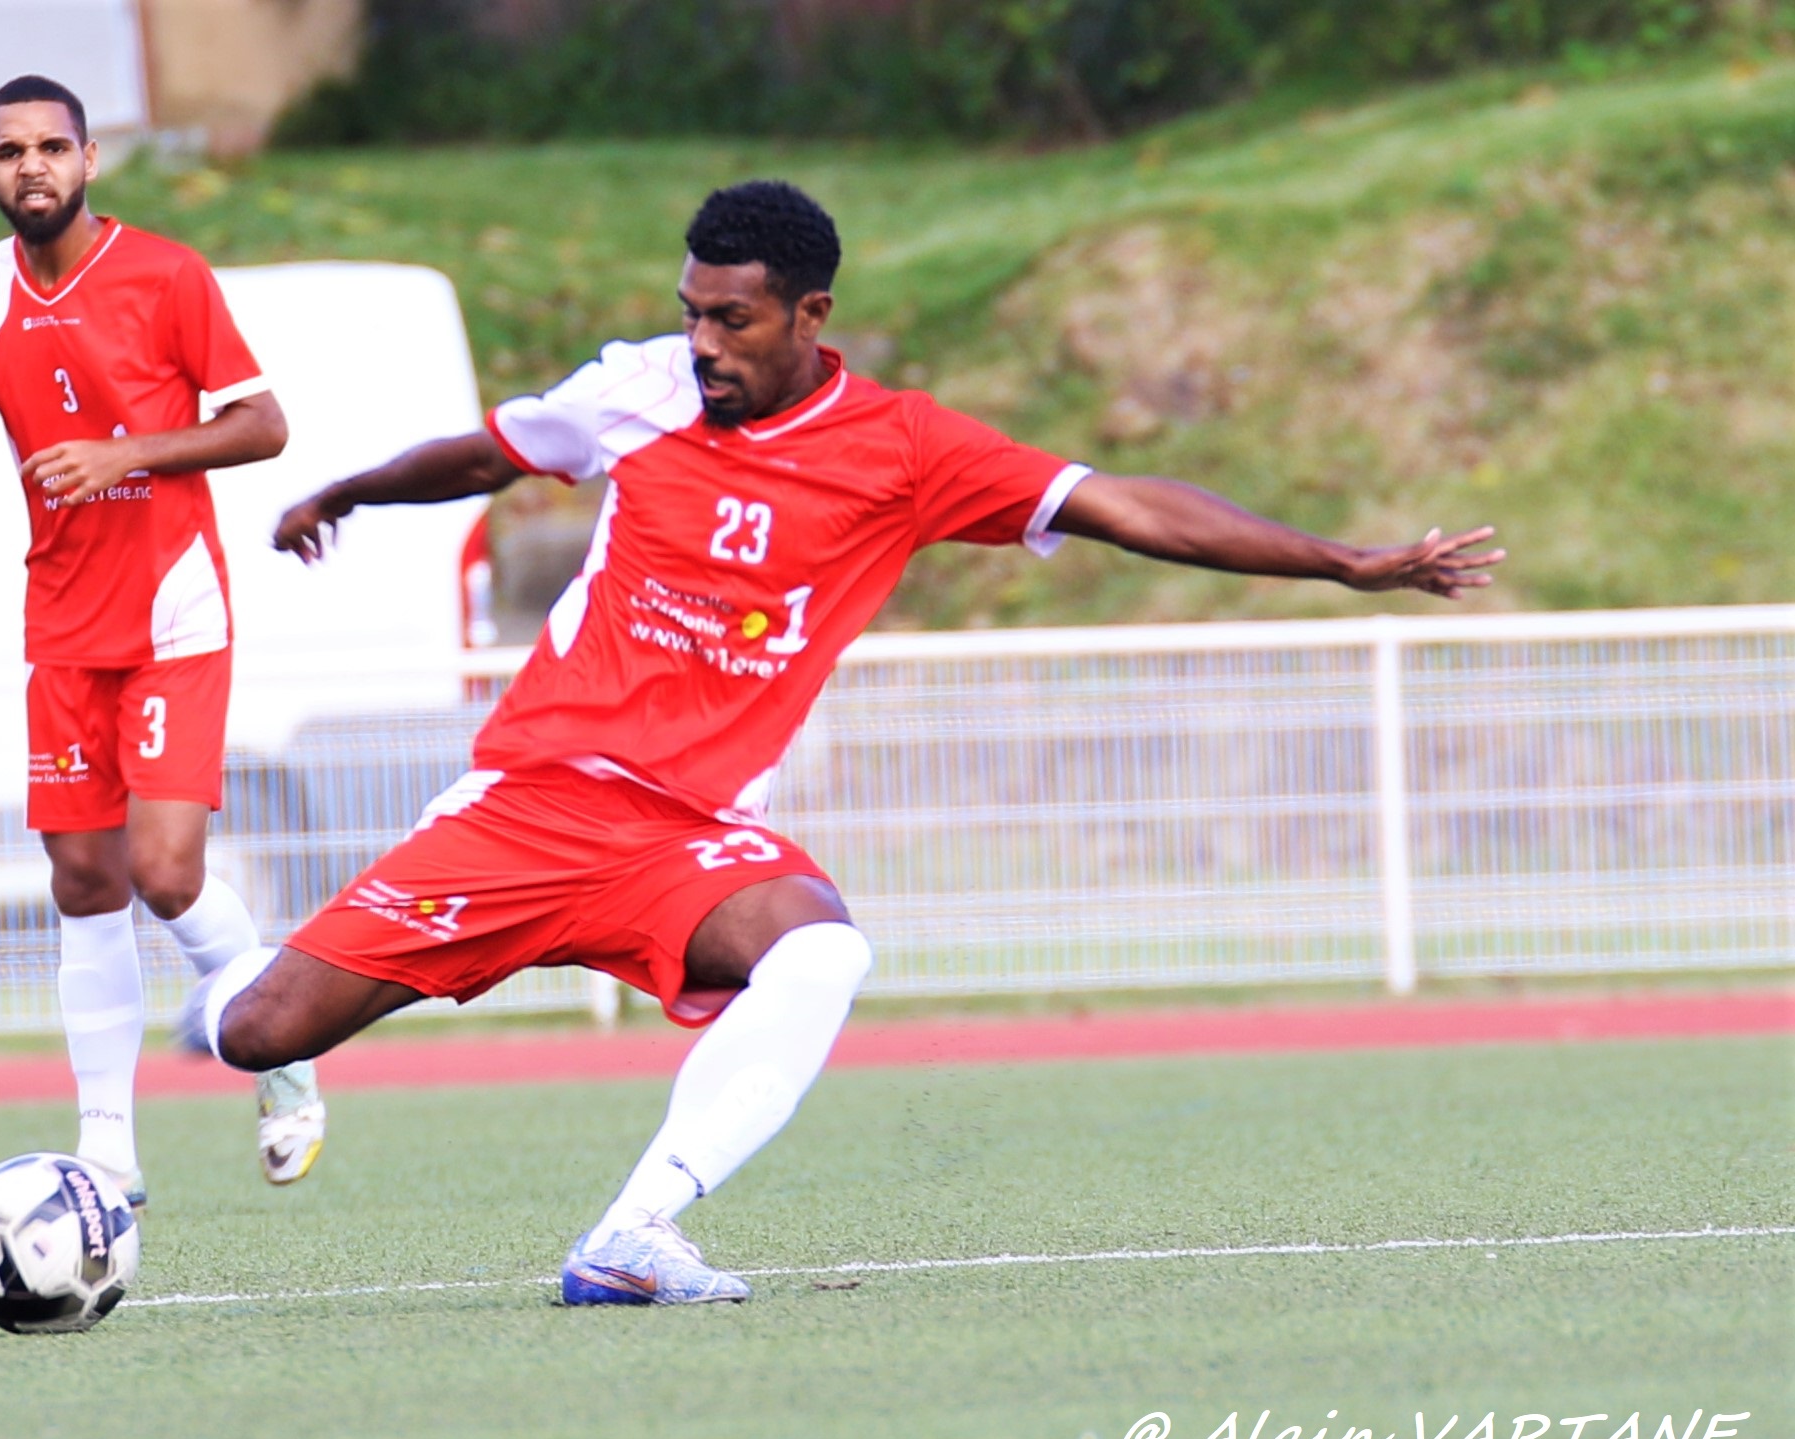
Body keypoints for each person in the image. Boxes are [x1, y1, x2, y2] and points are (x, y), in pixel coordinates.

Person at [174, 179, 1502, 1302]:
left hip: (682, 835)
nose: (702, 342)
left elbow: (1125, 505)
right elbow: (489, 452)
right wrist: (345, 488)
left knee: (820, 946)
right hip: (524, 801)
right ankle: (267, 1014)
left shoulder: (906, 449)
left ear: (811, 316)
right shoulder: (642, 389)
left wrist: (1344, 562)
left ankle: (634, 1232)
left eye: (732, 319)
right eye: (693, 310)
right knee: (251, 1028)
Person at [0, 75, 325, 1205]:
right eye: (7, 151)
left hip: (173, 613)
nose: (30, 166)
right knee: (84, 879)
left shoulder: (166, 274)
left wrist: (123, 454)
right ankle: (107, 1150)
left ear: (90, 162)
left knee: (163, 869)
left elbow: (262, 424)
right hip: (62, 625)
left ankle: (281, 1052)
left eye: (50, 147)